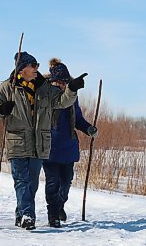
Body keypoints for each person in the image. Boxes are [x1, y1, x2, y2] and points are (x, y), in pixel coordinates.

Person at [0, 51, 87, 230]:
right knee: (21, 180)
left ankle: (21, 212)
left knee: (31, 183)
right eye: (33, 65)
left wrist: (72, 89)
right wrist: (2, 109)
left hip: (40, 144)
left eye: (37, 65)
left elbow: (63, 101)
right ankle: (28, 215)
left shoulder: (44, 88)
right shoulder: (7, 88)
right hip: (17, 141)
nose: (37, 69)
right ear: (22, 68)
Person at [42, 58, 98, 228]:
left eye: (64, 82)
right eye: (58, 82)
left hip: (68, 147)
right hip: (50, 147)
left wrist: (88, 128)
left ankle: (60, 205)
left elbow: (78, 119)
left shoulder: (73, 98)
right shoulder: (46, 96)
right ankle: (53, 215)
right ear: (52, 81)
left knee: (66, 183)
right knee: (53, 183)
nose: (61, 85)